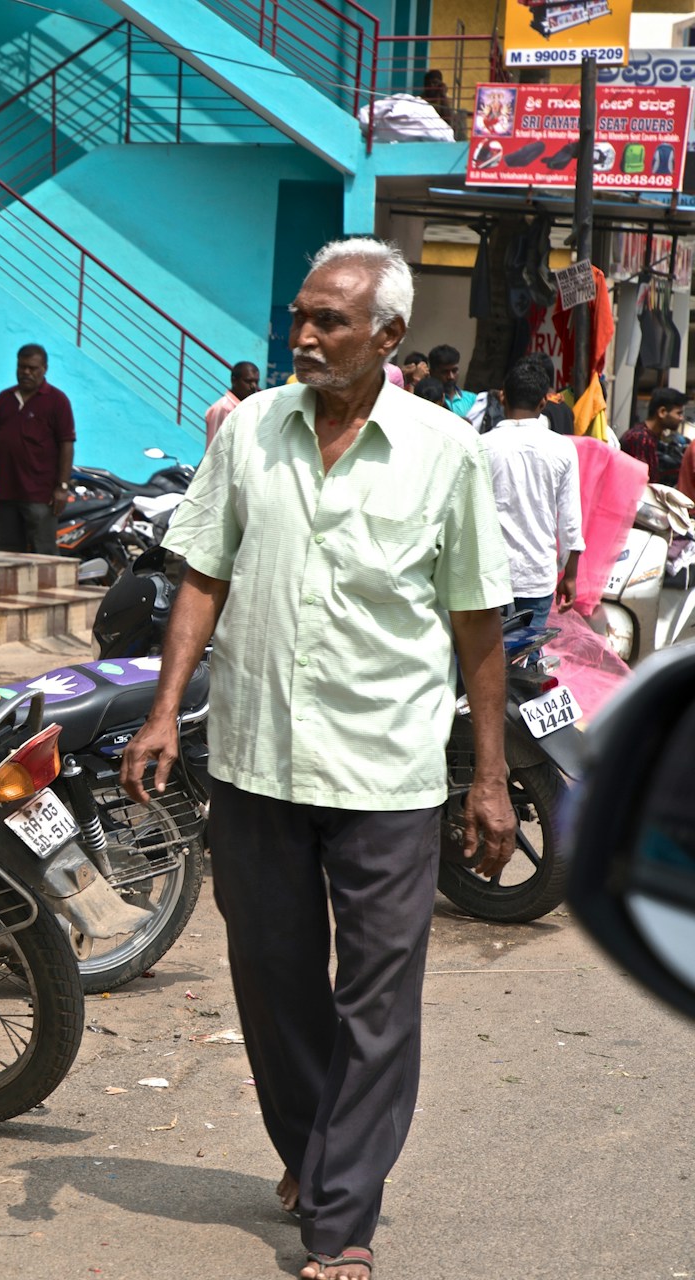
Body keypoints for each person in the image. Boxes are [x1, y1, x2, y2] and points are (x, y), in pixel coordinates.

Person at [120, 237, 514, 1280]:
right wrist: (166, 709)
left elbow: (478, 622)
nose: (303, 334)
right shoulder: (251, 431)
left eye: (329, 320)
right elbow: (204, 570)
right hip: (256, 756)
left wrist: (487, 776)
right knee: (273, 977)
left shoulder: (445, 451)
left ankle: (341, 1216)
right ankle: (311, 1151)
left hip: (385, 769)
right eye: (299, 315)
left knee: (376, 995)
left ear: (387, 336)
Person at [481, 361, 584, 631]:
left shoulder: (481, 446)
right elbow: (570, 520)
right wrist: (570, 575)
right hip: (536, 577)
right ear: (542, 403)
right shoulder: (562, 448)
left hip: (487, 578)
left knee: (482, 659)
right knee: (528, 657)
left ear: (503, 396)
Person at [0, 343, 75, 554]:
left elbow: (67, 445)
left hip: (40, 497)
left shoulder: (57, 401)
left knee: (44, 555)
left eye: (32, 368)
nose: (26, 372)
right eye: (22, 367)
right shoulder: (4, 399)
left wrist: (62, 487)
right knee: (5, 554)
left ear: (44, 369)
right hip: (4, 494)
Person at [620, 387, 687, 487]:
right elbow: (640, 483)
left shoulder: (652, 438)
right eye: (679, 413)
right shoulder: (639, 438)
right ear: (662, 412)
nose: (681, 418)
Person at [204, 361, 261, 444]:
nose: (253, 386)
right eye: (248, 381)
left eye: (256, 382)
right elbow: (215, 447)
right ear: (234, 380)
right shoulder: (223, 408)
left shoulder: (249, 406)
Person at [427, 344, 477, 418]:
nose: (451, 377)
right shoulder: (427, 399)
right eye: (444, 372)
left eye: (454, 371)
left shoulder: (473, 400)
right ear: (432, 373)